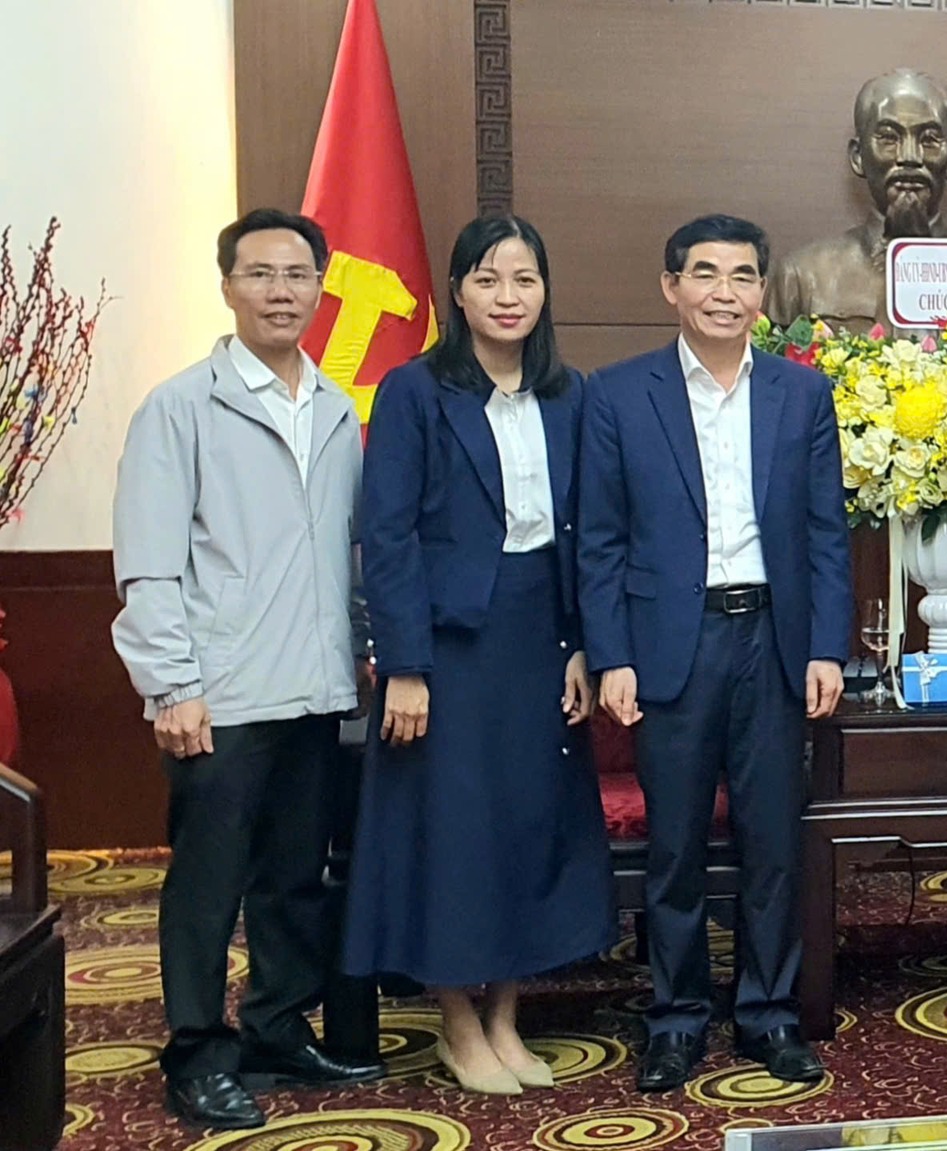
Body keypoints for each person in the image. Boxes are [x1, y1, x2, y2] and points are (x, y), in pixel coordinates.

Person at [112, 209, 384, 1131]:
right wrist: (171, 685)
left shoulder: (337, 406)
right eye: (261, 274)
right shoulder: (182, 405)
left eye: (298, 275)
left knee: (293, 877)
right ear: (227, 285)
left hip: (315, 686)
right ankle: (196, 1051)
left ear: (320, 287)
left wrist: (361, 648)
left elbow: (348, 553)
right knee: (208, 881)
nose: (280, 291)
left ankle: (276, 1026)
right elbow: (149, 562)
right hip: (218, 695)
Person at [580, 213, 852, 1091]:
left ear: (762, 293)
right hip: (673, 642)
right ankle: (676, 1018)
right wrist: (612, 654)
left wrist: (826, 646)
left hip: (773, 638)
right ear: (672, 287)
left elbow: (825, 531)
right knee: (676, 848)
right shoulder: (619, 394)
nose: (724, 293)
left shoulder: (801, 393)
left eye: (742, 276)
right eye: (705, 274)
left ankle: (770, 1014)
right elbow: (601, 541)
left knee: (774, 843)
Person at [344, 215, 614, 1095]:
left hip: (541, 636)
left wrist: (582, 644)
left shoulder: (570, 395)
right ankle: (457, 1024)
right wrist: (405, 663)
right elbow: (386, 536)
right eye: (488, 279)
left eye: (524, 279)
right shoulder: (414, 391)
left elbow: (589, 531)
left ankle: (505, 1017)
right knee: (453, 834)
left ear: (545, 292)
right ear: (456, 292)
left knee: (527, 825)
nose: (508, 297)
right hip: (449, 646)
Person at [764, 68, 947, 331]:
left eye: (929, 139)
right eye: (889, 138)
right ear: (858, 156)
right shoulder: (802, 275)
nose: (909, 157)